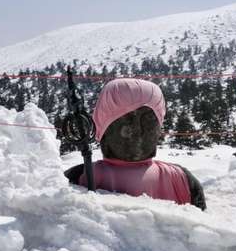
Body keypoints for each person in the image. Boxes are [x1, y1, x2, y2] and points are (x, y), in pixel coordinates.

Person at [64, 78, 206, 210]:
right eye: (127, 120)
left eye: (148, 120)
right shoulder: (78, 177)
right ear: (103, 128)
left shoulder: (182, 180)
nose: (138, 129)